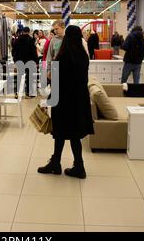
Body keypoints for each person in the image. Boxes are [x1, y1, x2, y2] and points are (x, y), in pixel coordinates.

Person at [37, 25, 94, 178]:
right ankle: (78, 166)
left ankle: (56, 163)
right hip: (79, 101)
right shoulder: (84, 56)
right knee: (75, 135)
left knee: (60, 132)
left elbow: (55, 81)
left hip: (63, 101)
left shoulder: (62, 56)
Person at [14, 27, 38, 97]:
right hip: (29, 61)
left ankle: (18, 93)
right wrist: (36, 61)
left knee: (19, 77)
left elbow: (14, 51)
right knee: (29, 77)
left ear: (23, 31)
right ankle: (28, 93)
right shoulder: (30, 40)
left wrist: (15, 61)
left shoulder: (18, 39)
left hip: (20, 61)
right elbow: (34, 52)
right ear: (29, 31)